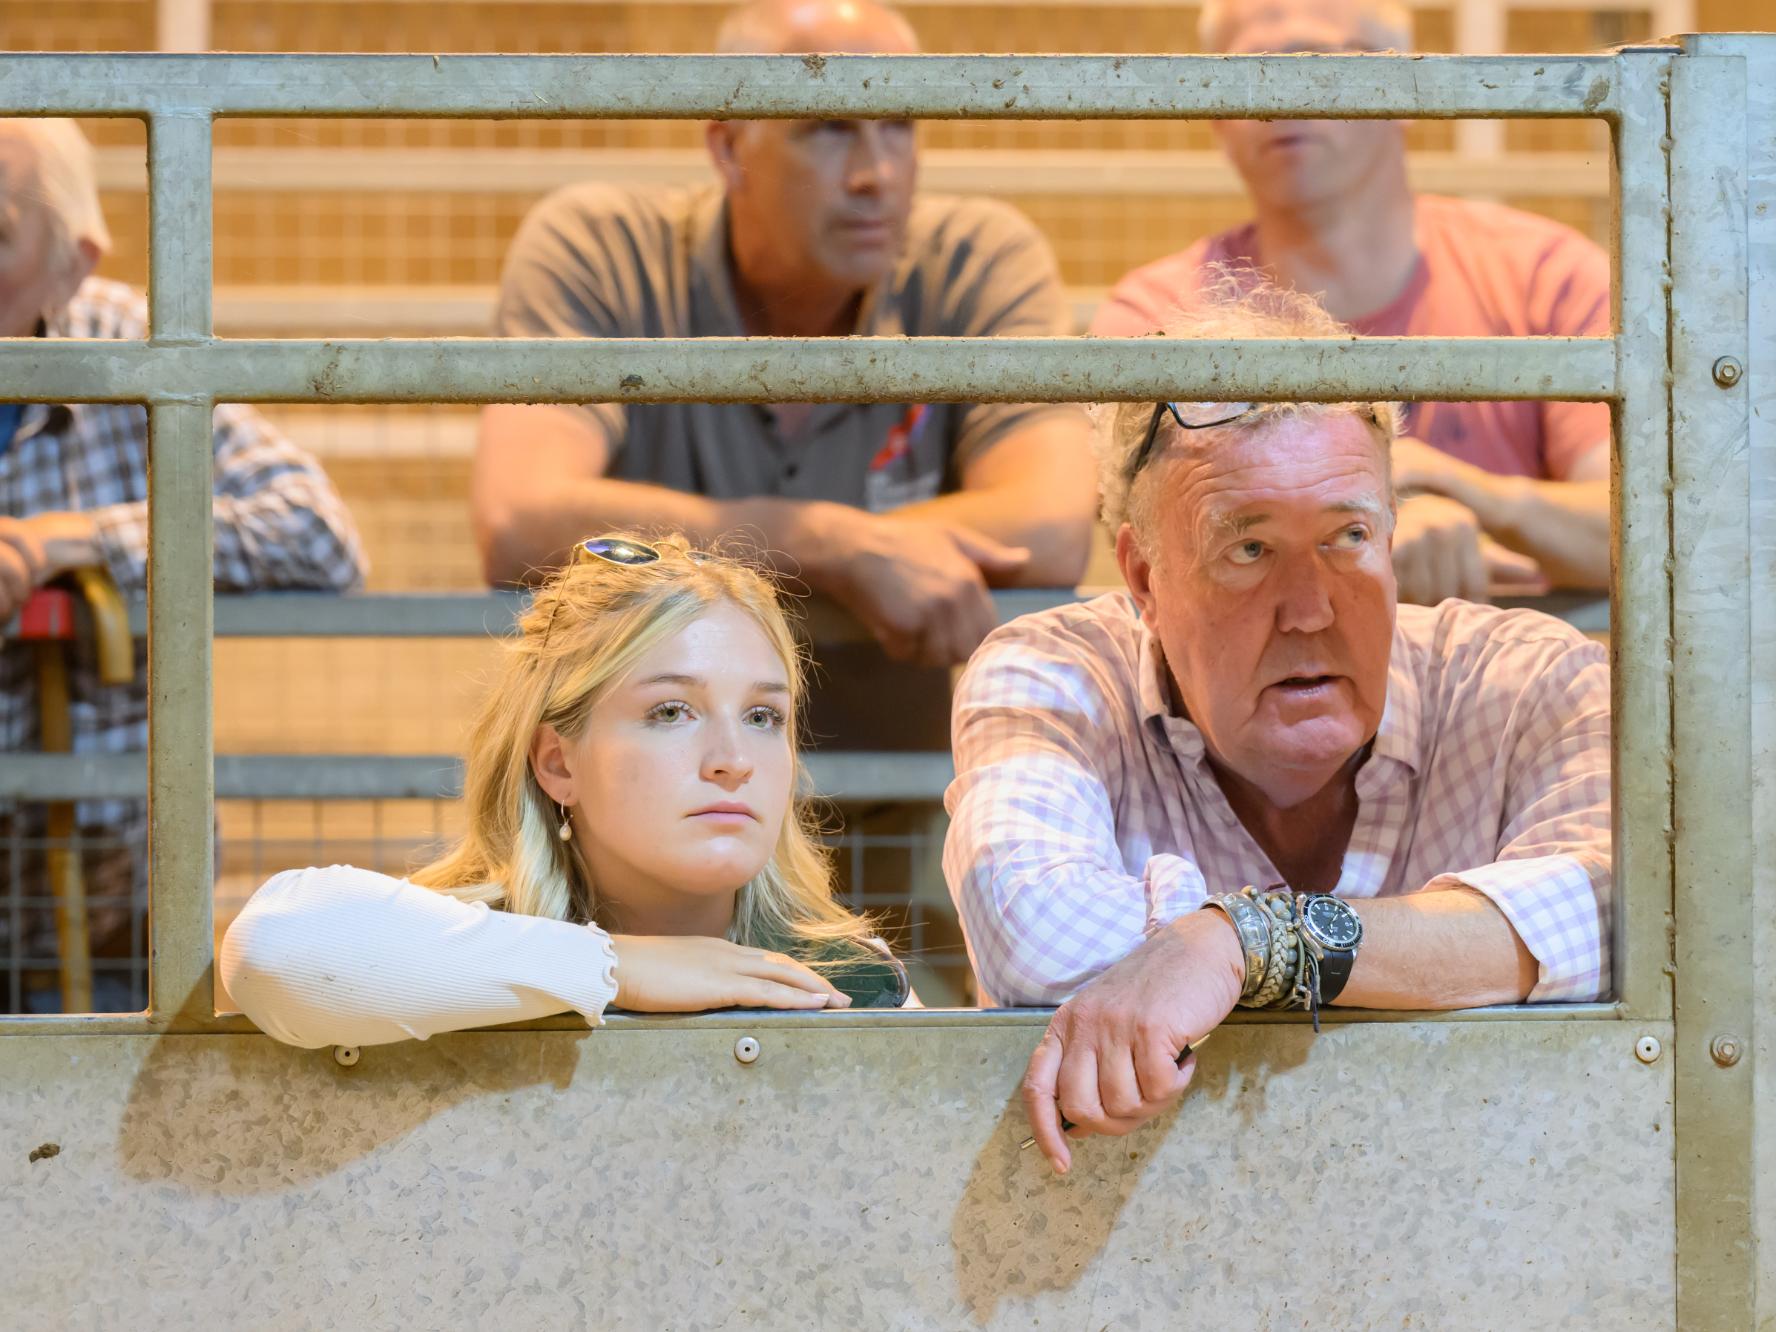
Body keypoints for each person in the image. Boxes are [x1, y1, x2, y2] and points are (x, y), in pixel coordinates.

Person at [943, 287, 1611, 1170]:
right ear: (1143, 578)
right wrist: (1448, 950)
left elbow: (1621, 914)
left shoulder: (1529, 680)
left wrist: (1243, 945)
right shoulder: (1055, 672)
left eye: (1348, 537)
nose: (1308, 610)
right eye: (1248, 549)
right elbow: (1037, 932)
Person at [475, 0, 1095, 673]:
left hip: (900, 771)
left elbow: (1049, 526)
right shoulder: (601, 250)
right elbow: (521, 520)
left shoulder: (979, 262)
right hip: (656, 764)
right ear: (729, 147)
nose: (876, 175)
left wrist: (722, 545)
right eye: (826, 128)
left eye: (899, 125)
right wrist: (828, 546)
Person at [221, 535, 912, 1048]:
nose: (734, 760)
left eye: (764, 717)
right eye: (671, 711)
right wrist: (615, 969)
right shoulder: (442, 950)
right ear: (558, 764)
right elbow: (271, 947)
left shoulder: (850, 978)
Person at [0, 117, 367, 1012]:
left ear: (71, 263)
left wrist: (63, 540)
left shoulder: (132, 346)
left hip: (112, 902)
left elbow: (319, 535)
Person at [1090, 0, 1614, 607]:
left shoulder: (1543, 280)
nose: (1282, 98)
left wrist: (1465, 493)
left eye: (1316, 63)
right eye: (1247, 72)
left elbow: (1652, 530)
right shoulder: (1160, 317)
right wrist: (1361, 529)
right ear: (1216, 120)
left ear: (1403, 93)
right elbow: (1148, 553)